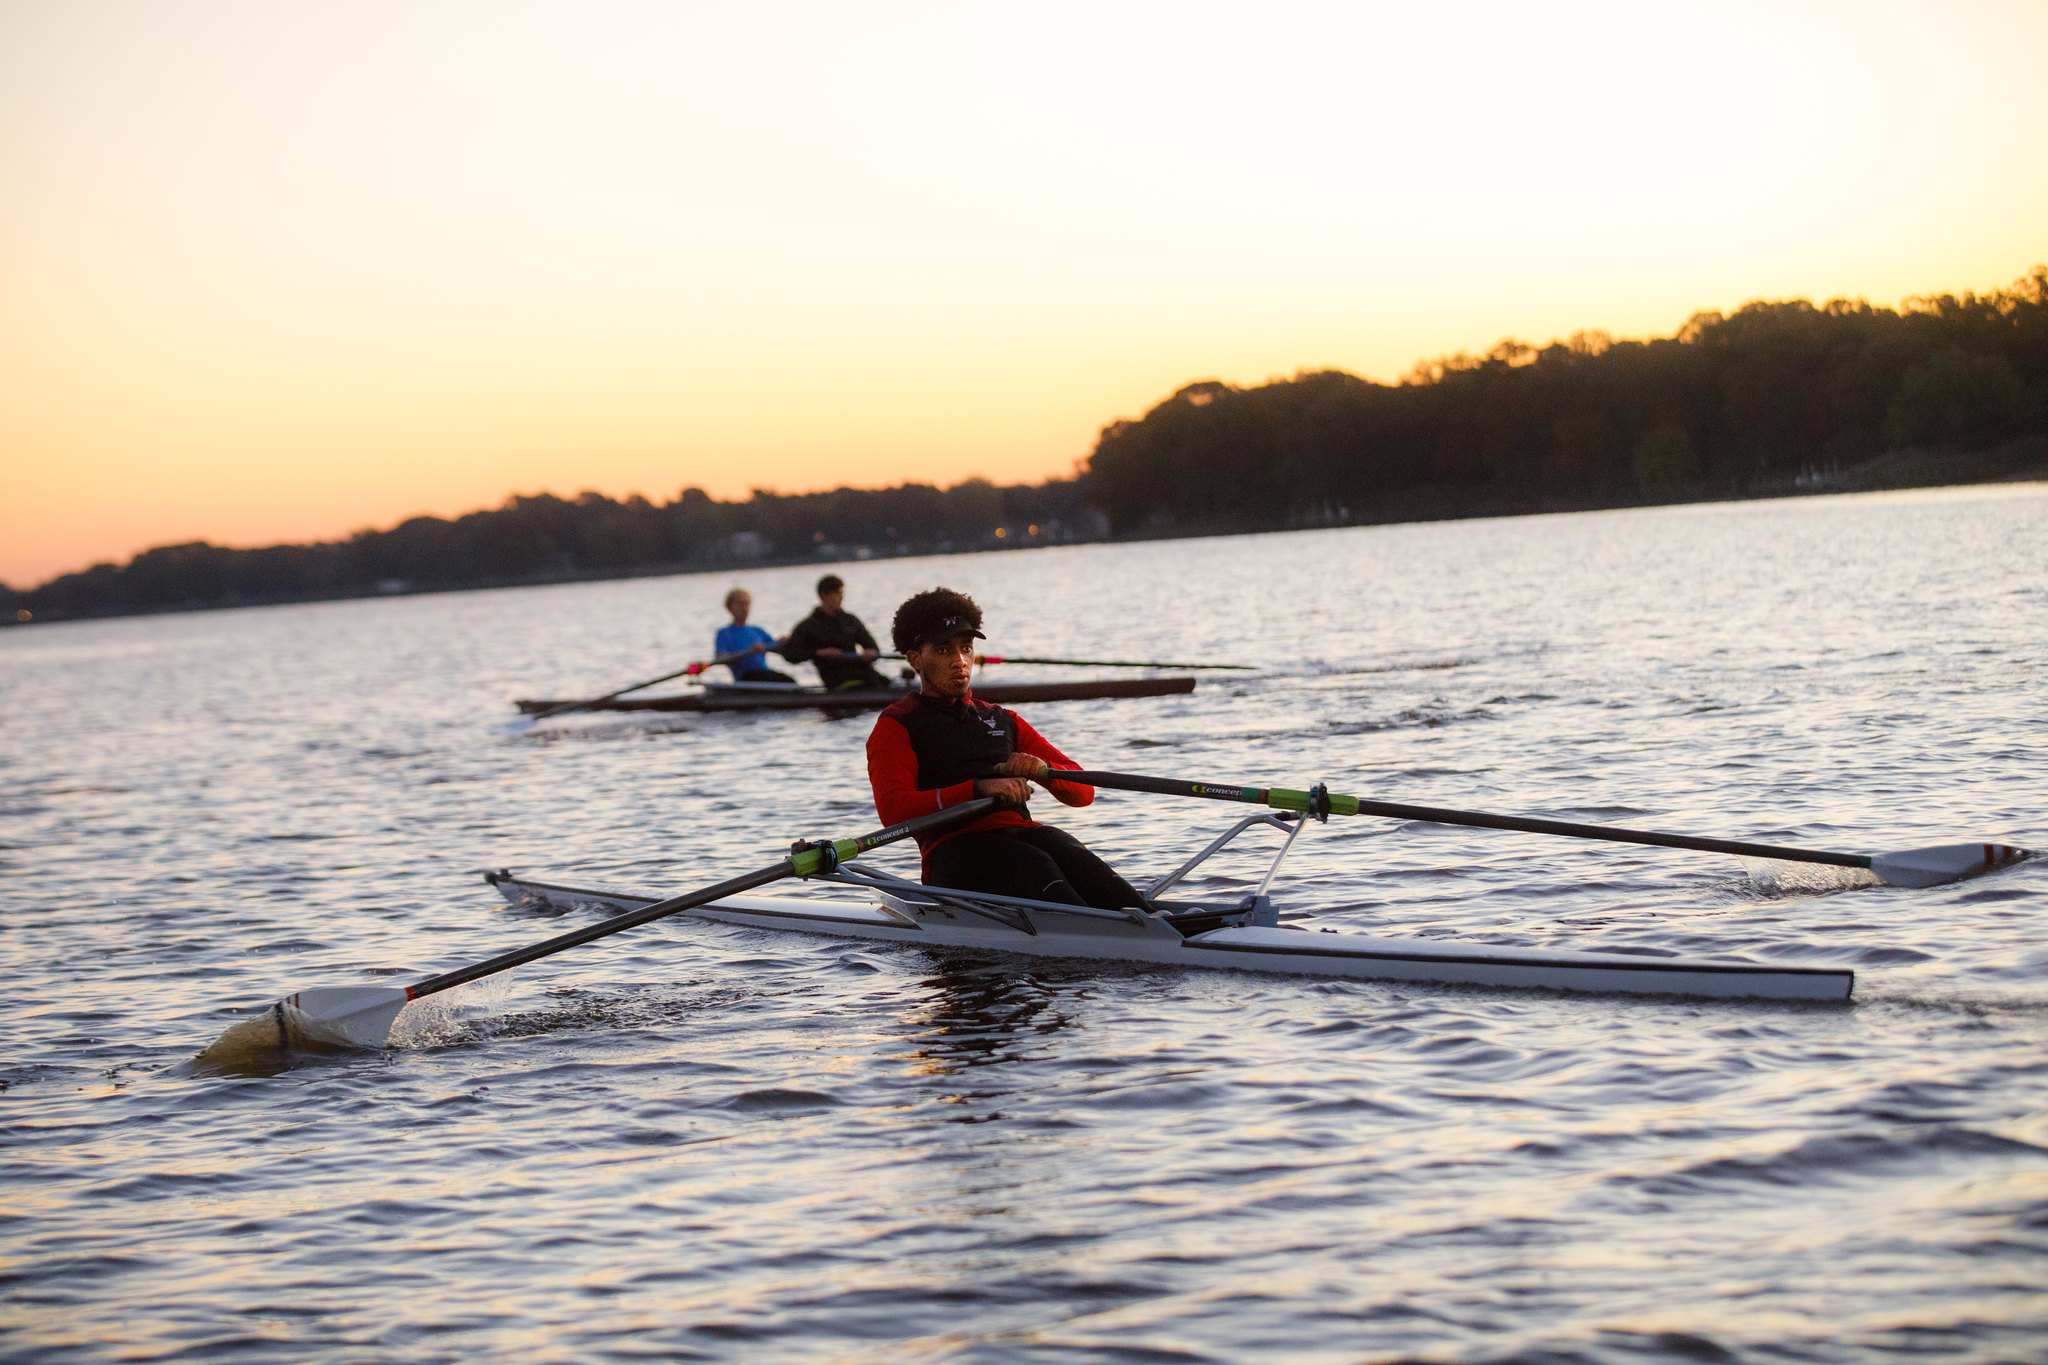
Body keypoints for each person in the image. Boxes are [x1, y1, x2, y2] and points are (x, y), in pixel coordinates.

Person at [866, 586, 1144, 911]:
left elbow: (1083, 794)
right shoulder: (896, 724)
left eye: (966, 648)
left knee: (1077, 859)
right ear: (915, 659)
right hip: (955, 852)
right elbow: (893, 811)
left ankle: (1151, 921)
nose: (960, 662)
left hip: (1023, 834)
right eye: (943, 651)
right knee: (1039, 866)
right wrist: (978, 789)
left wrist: (1043, 771)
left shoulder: (1002, 718)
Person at [782, 574, 889, 690]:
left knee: (885, 682)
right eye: (838, 593)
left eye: (842, 593)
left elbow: (872, 646)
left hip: (862, 671)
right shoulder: (808, 626)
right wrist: (818, 653)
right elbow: (790, 654)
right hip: (835, 677)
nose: (841, 597)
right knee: (870, 684)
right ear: (823, 596)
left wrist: (871, 653)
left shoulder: (850, 620)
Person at [711, 588, 794, 683]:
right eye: (740, 604)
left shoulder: (758, 631)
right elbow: (720, 658)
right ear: (729, 607)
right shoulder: (723, 633)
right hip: (745, 678)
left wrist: (783, 643)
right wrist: (749, 651)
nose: (744, 608)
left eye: (747, 604)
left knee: (789, 681)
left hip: (764, 674)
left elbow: (782, 651)